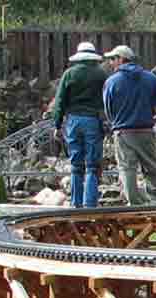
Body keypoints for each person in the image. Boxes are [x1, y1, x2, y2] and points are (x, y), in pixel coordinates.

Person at [103, 45, 156, 205]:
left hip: (123, 131)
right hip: (146, 130)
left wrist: (117, 121)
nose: (111, 63)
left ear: (121, 59)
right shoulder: (150, 78)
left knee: (127, 169)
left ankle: (133, 203)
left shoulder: (111, 81)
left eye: (113, 59)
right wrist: (152, 107)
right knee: (153, 168)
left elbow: (108, 109)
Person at [52, 41, 107, 208]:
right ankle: (90, 203)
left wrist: (57, 124)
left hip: (73, 120)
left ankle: (76, 202)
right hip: (93, 119)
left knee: (76, 163)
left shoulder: (69, 74)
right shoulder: (101, 74)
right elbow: (107, 98)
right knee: (92, 163)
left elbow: (60, 101)